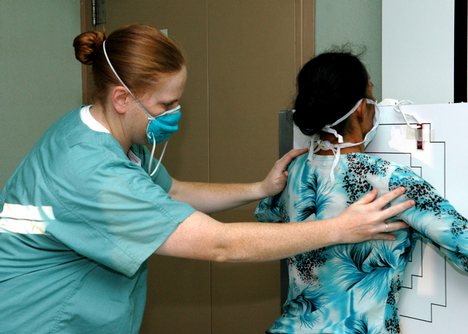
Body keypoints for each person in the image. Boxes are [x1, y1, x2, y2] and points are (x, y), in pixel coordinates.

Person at [0, 26, 413, 334]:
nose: (176, 112)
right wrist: (341, 228)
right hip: (43, 318)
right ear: (122, 98)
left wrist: (259, 189)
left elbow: (172, 192)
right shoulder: (90, 170)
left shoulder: (98, 131)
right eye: (166, 103)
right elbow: (219, 244)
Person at [255, 50, 468, 334]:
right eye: (372, 97)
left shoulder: (290, 173)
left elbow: (266, 218)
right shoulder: (392, 181)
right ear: (360, 109)